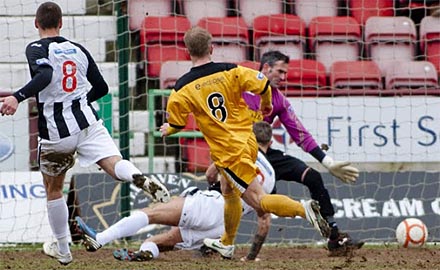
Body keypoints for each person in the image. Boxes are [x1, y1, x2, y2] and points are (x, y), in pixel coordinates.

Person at [0, 2, 170, 265]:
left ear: (36, 23)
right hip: (89, 123)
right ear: (62, 23)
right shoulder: (79, 49)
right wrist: (78, 101)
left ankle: (64, 250)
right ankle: (137, 176)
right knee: (114, 163)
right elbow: (101, 87)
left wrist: (17, 97)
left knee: (53, 189)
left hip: (58, 132)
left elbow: (45, 74)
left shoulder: (35, 47)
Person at [159, 26, 330, 259]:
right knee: (228, 191)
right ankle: (226, 243)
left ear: (187, 51)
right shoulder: (231, 70)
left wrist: (169, 129)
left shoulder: (181, 88)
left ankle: (304, 210)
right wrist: (266, 105)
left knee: (257, 200)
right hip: (247, 140)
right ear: (211, 48)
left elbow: (177, 122)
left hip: (229, 151)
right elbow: (263, 85)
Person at [75, 121, 328, 261]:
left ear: (250, 138)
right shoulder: (270, 174)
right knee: (164, 240)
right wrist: (251, 256)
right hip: (226, 226)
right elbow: (264, 220)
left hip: (213, 204)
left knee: (151, 213)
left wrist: (212, 188)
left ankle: (102, 238)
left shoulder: (237, 151)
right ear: (269, 143)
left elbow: (209, 175)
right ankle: (144, 253)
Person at [225, 50, 362, 255]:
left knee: (313, 177)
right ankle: (212, 238)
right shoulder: (239, 88)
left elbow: (300, 134)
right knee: (221, 191)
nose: (283, 77)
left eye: (285, 73)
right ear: (265, 68)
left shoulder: (278, 100)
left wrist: (327, 161)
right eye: (280, 71)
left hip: (264, 154)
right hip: (236, 153)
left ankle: (334, 237)